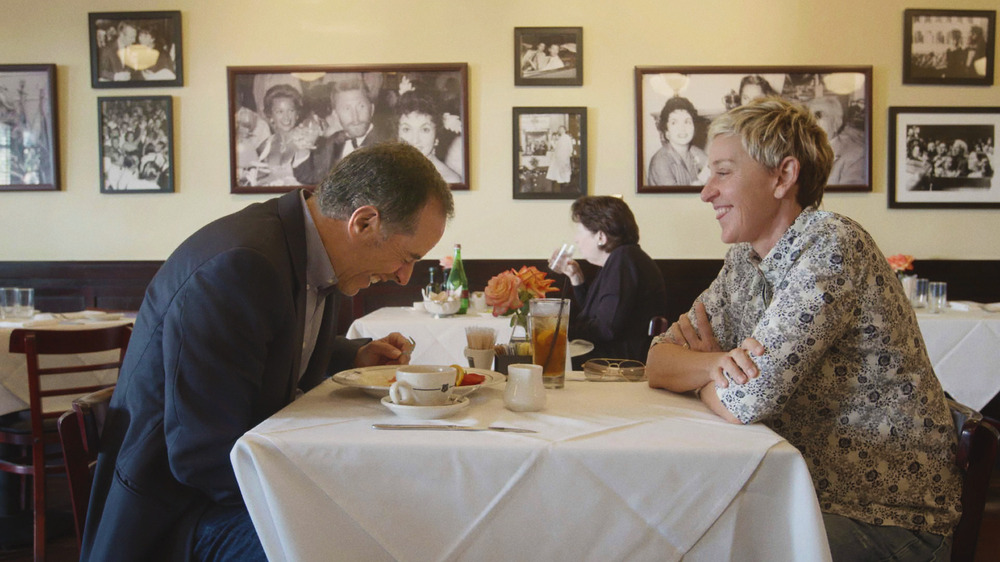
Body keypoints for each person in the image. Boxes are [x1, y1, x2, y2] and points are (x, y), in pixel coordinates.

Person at [81, 142, 455, 561]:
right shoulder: (240, 265)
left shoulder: (309, 252)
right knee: (362, 539)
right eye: (407, 257)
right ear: (364, 222)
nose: (404, 277)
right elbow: (202, 455)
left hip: (216, 487)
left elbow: (259, 349)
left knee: (398, 510)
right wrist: (328, 496)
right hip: (178, 515)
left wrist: (351, 356)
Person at [646, 98, 961, 562]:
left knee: (694, 548)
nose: (706, 191)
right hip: (802, 495)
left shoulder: (831, 244)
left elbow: (744, 402)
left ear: (783, 176)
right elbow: (657, 359)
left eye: (723, 172)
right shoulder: (744, 260)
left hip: (887, 521)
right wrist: (716, 364)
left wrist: (705, 383)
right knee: (669, 526)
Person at [550, 196, 667, 367]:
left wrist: (557, 330)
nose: (576, 239)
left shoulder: (623, 260)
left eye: (580, 231)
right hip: (614, 359)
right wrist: (577, 279)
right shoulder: (623, 259)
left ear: (601, 237)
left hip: (618, 366)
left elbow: (606, 329)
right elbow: (596, 316)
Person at [292, 76, 393, 185]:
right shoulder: (334, 141)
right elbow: (308, 176)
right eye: (347, 109)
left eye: (361, 106)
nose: (356, 117)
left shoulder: (389, 144)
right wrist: (303, 149)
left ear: (372, 109)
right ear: (336, 115)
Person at [395, 90, 462, 183]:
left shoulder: (448, 181)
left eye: (425, 130)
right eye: (406, 129)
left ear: (436, 137)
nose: (415, 140)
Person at [647, 96, 708, 186]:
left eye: (687, 122)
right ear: (666, 131)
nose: (682, 128)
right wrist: (701, 181)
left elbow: (713, 167)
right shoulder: (660, 162)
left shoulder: (695, 152)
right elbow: (675, 199)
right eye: (674, 122)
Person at [805, 95, 866, 185]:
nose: (811, 121)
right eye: (808, 117)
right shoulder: (800, 151)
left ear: (836, 123)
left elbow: (851, 196)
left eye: (818, 115)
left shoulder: (856, 157)